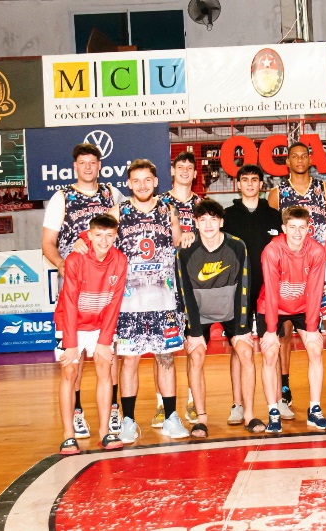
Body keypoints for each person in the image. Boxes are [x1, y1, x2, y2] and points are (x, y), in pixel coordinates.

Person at [42, 142, 124, 440]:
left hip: (106, 281)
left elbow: (119, 228)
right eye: (82, 163)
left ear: (99, 165)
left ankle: (111, 409)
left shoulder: (112, 194)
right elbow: (47, 243)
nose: (88, 167)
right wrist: (63, 264)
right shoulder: (62, 197)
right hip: (75, 280)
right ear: (75, 166)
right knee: (72, 362)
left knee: (109, 356)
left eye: (93, 162)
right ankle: (76, 412)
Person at [107, 159, 193, 443]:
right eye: (136, 181)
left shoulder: (168, 210)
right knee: (129, 361)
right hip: (129, 303)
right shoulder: (118, 212)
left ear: (156, 182)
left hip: (163, 300)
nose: (142, 185)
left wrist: (189, 234)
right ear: (128, 184)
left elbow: (179, 242)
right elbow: (103, 247)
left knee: (166, 359)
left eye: (147, 180)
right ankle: (128, 421)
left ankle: (171, 417)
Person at [268, 143, 326, 417]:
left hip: (319, 267)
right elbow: (273, 232)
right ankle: (284, 384)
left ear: (310, 159)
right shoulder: (277, 193)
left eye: (303, 155)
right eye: (294, 156)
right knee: (284, 331)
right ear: (287, 161)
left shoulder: (325, 189)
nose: (299, 160)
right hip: (289, 271)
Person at [176, 199, 255, 436]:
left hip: (231, 311)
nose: (208, 224)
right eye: (203, 220)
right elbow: (184, 292)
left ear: (221, 222)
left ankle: (249, 415)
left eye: (213, 219)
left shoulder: (237, 246)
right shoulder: (186, 251)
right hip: (200, 314)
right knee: (196, 355)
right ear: (195, 223)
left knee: (245, 352)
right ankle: (201, 419)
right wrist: (194, 332)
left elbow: (245, 287)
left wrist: (242, 328)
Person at [54, 214, 127, 454]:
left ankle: (105, 432)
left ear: (115, 236)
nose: (103, 241)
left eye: (109, 236)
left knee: (105, 368)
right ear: (90, 235)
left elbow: (115, 303)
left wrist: (104, 341)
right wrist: (71, 343)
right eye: (98, 235)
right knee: (69, 372)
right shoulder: (75, 259)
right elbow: (69, 302)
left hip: (100, 323)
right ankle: (68, 436)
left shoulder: (120, 260)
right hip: (71, 323)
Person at [256, 206, 326, 432]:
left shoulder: (316, 251)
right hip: (272, 306)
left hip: (302, 307)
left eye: (302, 227)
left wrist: (312, 328)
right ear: (284, 228)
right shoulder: (272, 251)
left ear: (309, 228)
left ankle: (314, 410)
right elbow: (271, 291)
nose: (297, 233)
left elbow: (315, 291)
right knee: (271, 353)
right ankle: (273, 411)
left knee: (315, 349)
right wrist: (271, 330)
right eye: (292, 227)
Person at [223, 164, 283, 427]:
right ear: (238, 184)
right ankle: (237, 404)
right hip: (237, 291)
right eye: (245, 180)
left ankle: (278, 400)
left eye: (254, 180)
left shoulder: (274, 216)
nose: (249, 184)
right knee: (239, 347)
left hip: (268, 290)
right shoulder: (227, 216)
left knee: (273, 345)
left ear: (261, 184)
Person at [156, 150, 201, 428]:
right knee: (163, 347)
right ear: (172, 171)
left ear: (195, 173)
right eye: (180, 166)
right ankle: (162, 404)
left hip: (193, 283)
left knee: (193, 345)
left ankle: (193, 400)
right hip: (163, 282)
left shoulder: (201, 204)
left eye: (189, 167)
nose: (184, 170)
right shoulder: (160, 202)